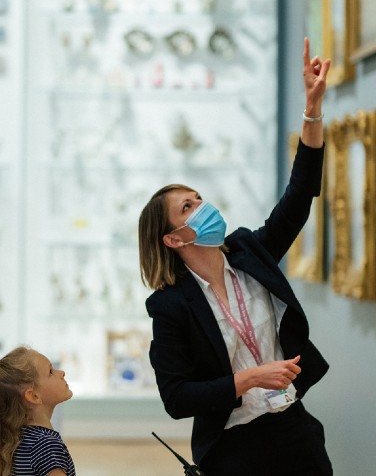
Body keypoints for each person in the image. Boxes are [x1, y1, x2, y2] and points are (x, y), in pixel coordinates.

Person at [137, 38, 333, 476]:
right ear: (172, 239)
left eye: (199, 198)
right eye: (188, 208)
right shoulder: (169, 306)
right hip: (234, 449)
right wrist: (249, 379)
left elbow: (299, 196)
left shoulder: (249, 251)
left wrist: (313, 109)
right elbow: (176, 398)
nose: (202, 208)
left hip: (297, 431)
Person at [0, 347, 76, 476]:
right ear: (34, 396)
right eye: (50, 372)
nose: (61, 372)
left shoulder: (17, 441)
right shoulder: (47, 446)